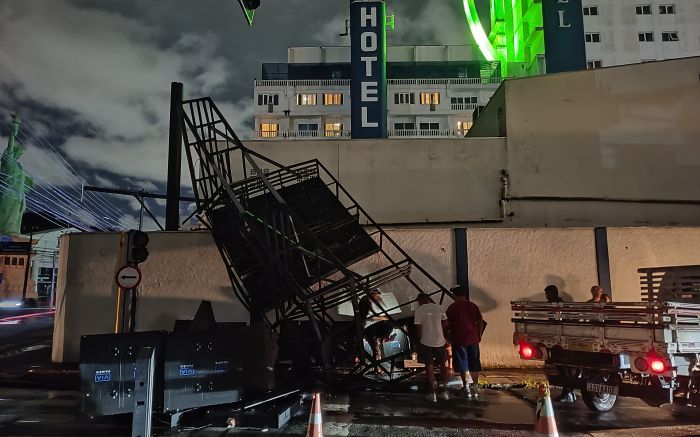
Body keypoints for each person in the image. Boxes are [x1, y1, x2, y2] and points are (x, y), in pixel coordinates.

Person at [445, 285, 483, 399]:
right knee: (474, 364)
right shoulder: (473, 306)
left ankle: (466, 387)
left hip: (459, 339)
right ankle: (475, 387)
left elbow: (446, 323)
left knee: (463, 364)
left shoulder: (452, 307)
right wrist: (479, 335)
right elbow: (480, 321)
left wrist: (446, 335)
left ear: (454, 295)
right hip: (473, 339)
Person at [414, 293, 449, 402]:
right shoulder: (439, 308)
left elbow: (418, 328)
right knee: (443, 366)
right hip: (440, 340)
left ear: (420, 300)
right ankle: (444, 391)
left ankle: (432, 394)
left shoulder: (419, 310)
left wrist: (419, 341)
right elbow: (445, 324)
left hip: (426, 341)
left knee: (429, 367)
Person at [544, 285, 576, 403]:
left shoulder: (558, 305)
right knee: (562, 366)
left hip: (560, 340)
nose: (546, 296)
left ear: (553, 293)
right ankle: (568, 391)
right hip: (557, 339)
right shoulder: (553, 304)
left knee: (564, 366)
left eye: (548, 294)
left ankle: (568, 391)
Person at [358, 289, 394, 362]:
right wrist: (382, 318)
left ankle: (376, 366)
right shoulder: (366, 300)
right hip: (367, 328)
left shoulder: (370, 301)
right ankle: (376, 366)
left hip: (371, 328)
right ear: (372, 294)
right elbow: (369, 317)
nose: (377, 297)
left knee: (375, 348)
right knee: (375, 348)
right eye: (376, 296)